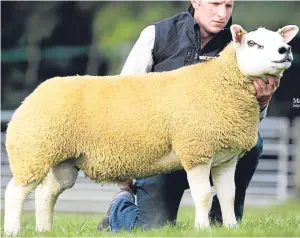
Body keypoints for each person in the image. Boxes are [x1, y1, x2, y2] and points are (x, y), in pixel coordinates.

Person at [97, 0, 280, 232]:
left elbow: (247, 122)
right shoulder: (157, 35)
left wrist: (262, 100)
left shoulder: (242, 45)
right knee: (154, 229)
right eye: (214, 4)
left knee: (252, 144)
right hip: (161, 155)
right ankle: (119, 208)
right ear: (196, 2)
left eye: (228, 6)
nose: (221, 14)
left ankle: (223, 219)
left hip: (215, 152)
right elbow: (122, 94)